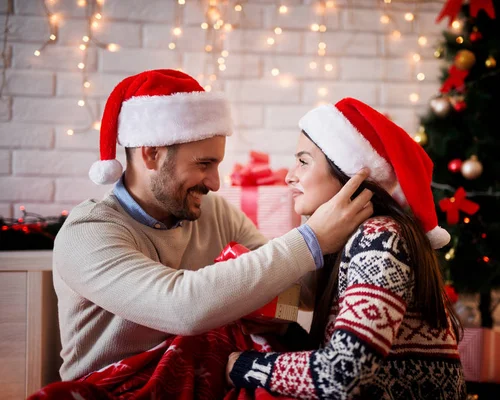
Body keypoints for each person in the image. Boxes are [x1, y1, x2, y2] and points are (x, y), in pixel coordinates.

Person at [52, 69, 373, 382]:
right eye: (203, 164)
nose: (216, 184)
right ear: (151, 155)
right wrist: (311, 239)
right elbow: (182, 308)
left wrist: (327, 211)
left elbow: (295, 294)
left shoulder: (213, 212)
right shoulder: (88, 232)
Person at [226, 98, 467, 399]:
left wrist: (241, 366)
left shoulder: (380, 238)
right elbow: (344, 352)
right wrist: (282, 332)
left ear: (349, 174)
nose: (289, 176)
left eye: (303, 161)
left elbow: (341, 375)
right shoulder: (353, 240)